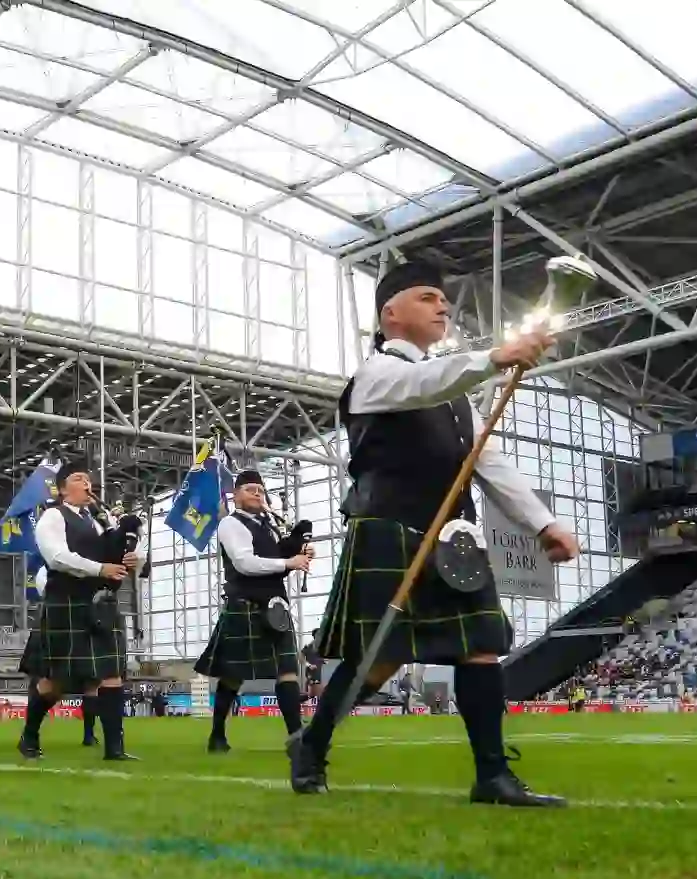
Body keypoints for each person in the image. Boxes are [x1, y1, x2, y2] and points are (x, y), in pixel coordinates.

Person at [290, 260, 577, 807]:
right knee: (379, 659)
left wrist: (544, 522)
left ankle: (492, 777)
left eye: (443, 299)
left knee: (481, 649)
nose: (442, 306)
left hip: (452, 538)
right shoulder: (377, 374)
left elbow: (487, 464)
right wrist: (495, 357)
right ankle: (313, 744)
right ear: (390, 313)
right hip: (390, 529)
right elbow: (420, 385)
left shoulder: (456, 393)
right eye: (428, 297)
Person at [17, 460, 142, 761]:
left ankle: (115, 749)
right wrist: (101, 568)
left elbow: (120, 556)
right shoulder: (53, 517)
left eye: (89, 478)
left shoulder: (102, 521)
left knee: (112, 675)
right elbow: (57, 557)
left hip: (102, 604)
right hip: (67, 603)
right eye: (78, 478)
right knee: (54, 684)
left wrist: (135, 560)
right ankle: (29, 734)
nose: (87, 482)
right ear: (62, 489)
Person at [194, 469, 313, 754]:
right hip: (245, 607)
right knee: (233, 675)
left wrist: (297, 547)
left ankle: (297, 738)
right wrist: (289, 563)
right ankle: (217, 734)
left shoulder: (268, 525)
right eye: (250, 489)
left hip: (275, 607)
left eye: (260, 490)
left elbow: (277, 555)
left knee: (287, 671)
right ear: (235, 495)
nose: (257, 494)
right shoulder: (230, 525)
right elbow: (246, 563)